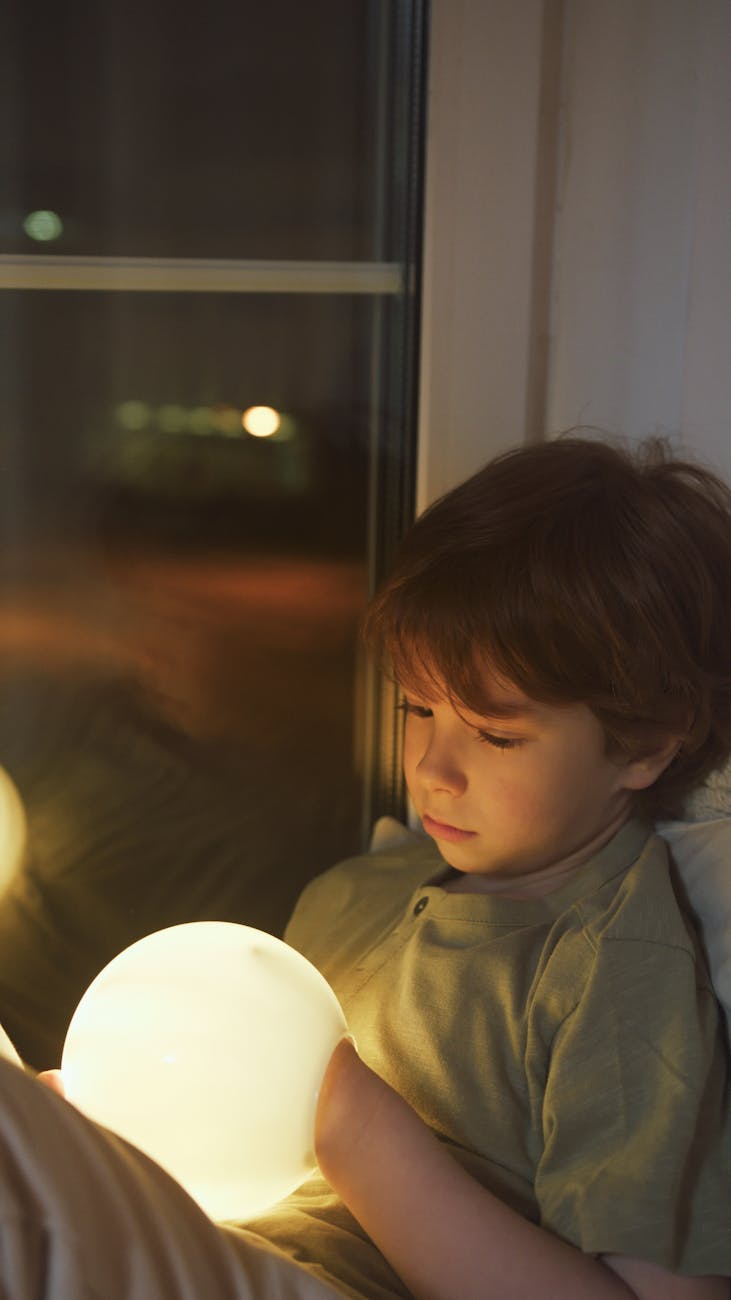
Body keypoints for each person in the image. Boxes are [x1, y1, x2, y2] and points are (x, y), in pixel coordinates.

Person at [8, 435, 731, 1298]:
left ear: (645, 742)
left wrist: (350, 1123)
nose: (433, 767)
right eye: (418, 708)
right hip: (216, 1243)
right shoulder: (357, 891)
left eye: (497, 734)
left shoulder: (610, 965)